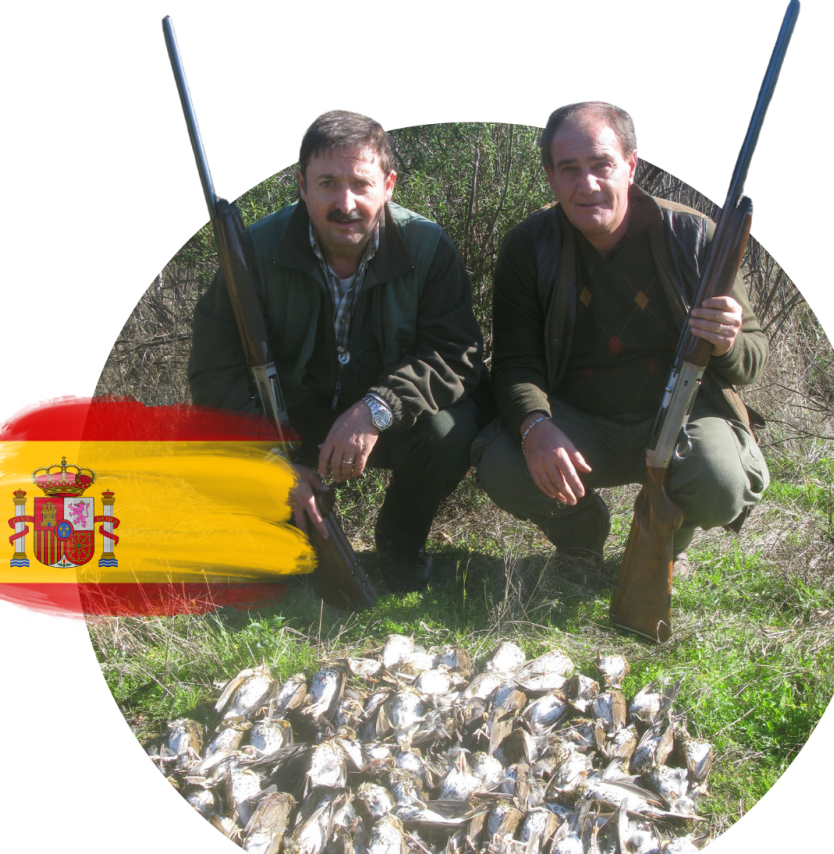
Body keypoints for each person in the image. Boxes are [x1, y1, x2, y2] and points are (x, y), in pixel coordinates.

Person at [189, 110, 487, 592]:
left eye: (361, 184)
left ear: (388, 186)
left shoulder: (428, 247)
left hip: (384, 423)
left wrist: (376, 408)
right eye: (328, 183)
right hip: (289, 425)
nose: (345, 204)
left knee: (452, 429)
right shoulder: (250, 252)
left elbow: (456, 355)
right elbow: (214, 373)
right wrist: (270, 462)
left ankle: (400, 545)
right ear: (302, 185)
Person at [472, 101, 769, 577]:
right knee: (502, 463)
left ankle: (664, 539)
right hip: (580, 421)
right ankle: (581, 534)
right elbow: (514, 363)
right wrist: (535, 427)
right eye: (569, 169)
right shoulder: (527, 245)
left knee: (720, 480)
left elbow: (753, 358)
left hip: (679, 417)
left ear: (630, 165)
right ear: (550, 177)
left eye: (602, 165)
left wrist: (727, 342)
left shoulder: (694, 235)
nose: (587, 184)